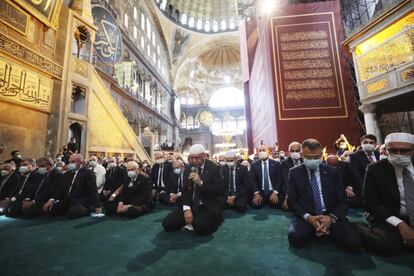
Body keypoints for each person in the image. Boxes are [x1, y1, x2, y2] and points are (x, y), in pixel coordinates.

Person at [287, 139, 361, 253]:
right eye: (308, 157)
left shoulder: (333, 172)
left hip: (330, 213)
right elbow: (292, 201)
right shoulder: (294, 172)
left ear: (322, 155)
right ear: (302, 155)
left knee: (353, 244)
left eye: (316, 157)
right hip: (306, 215)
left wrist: (331, 218)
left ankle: (323, 228)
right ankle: (321, 229)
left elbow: (343, 201)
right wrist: (309, 218)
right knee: (296, 239)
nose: (312, 160)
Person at [356, 132, 414, 257]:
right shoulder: (375, 169)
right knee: (388, 246)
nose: (398, 155)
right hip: (389, 215)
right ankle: (360, 228)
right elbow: (369, 203)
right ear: (386, 150)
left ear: (413, 151)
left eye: (404, 151)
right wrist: (400, 224)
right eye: (393, 150)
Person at [162, 144, 224, 236]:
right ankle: (191, 219)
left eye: (197, 158)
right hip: (190, 203)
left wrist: (201, 183)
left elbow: (219, 191)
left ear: (204, 155)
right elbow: (185, 191)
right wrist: (186, 208)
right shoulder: (188, 168)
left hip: (206, 204)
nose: (194, 160)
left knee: (200, 227)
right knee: (167, 224)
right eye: (192, 158)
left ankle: (213, 219)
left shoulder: (214, 168)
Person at [45, 154, 102, 219]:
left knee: (73, 213)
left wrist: (98, 206)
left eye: (73, 162)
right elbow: (60, 189)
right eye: (69, 162)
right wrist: (51, 200)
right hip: (67, 200)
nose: (70, 164)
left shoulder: (88, 173)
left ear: (80, 162)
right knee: (52, 209)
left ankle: (88, 209)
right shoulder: (67, 174)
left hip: (81, 202)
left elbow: (93, 190)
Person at [281, 142, 303, 211]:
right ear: (289, 152)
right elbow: (285, 181)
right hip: (291, 191)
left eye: (297, 151)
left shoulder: (305, 161)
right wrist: (286, 197)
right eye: (292, 151)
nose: (295, 152)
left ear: (301, 151)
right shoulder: (284, 163)